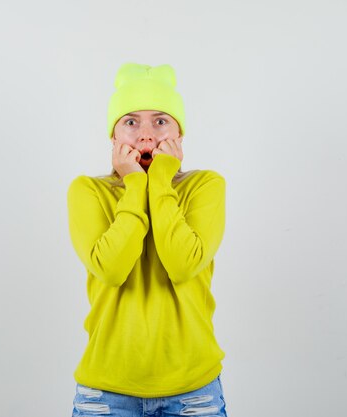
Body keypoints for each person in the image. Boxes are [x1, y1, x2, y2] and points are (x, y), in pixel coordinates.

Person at [67, 63, 229, 416]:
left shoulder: (206, 186)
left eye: (160, 121)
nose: (145, 135)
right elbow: (110, 269)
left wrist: (160, 179)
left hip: (193, 392)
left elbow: (182, 264)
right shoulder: (87, 191)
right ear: (113, 137)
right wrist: (135, 184)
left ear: (179, 134)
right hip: (105, 394)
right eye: (130, 122)